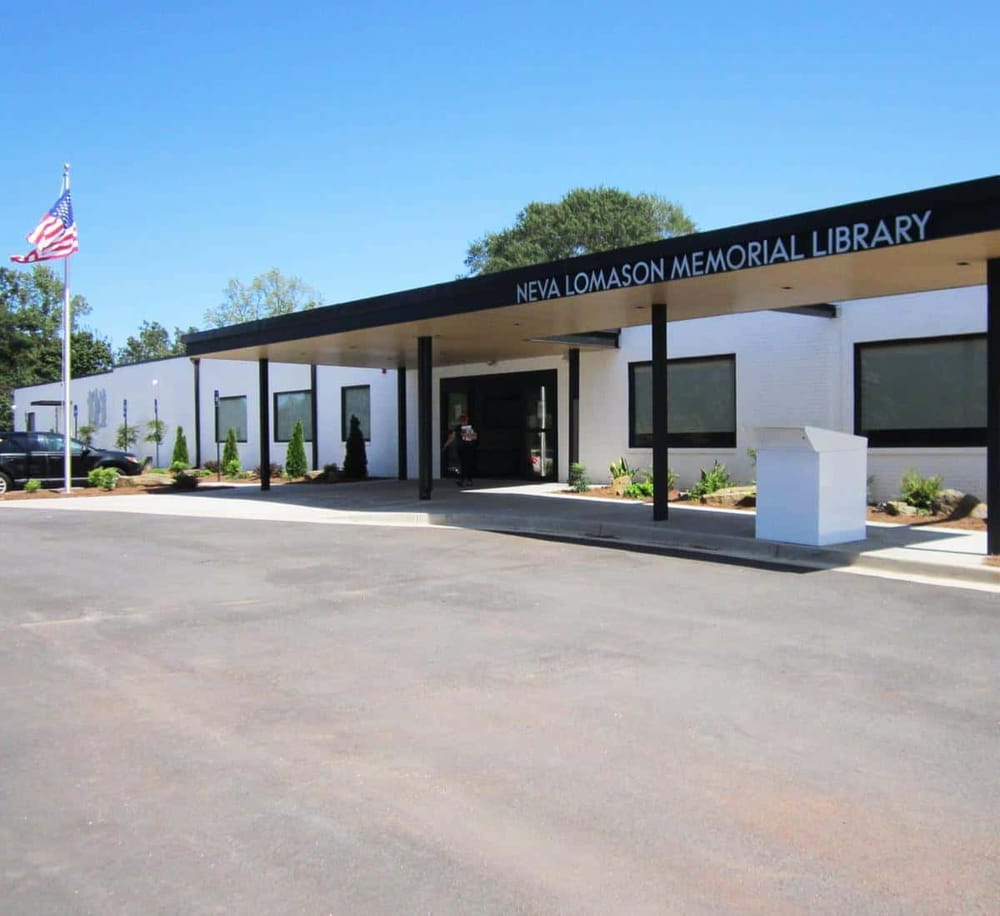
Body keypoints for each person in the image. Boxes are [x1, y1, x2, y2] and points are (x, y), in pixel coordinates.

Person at [442, 413, 478, 486]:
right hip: (462, 448)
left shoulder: (470, 427)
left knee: (467, 463)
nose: (463, 422)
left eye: (464, 420)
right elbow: (452, 437)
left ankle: (467, 479)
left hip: (469, 448)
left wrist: (467, 434)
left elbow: (474, 437)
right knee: (462, 463)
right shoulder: (458, 428)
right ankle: (464, 479)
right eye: (462, 420)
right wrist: (446, 445)